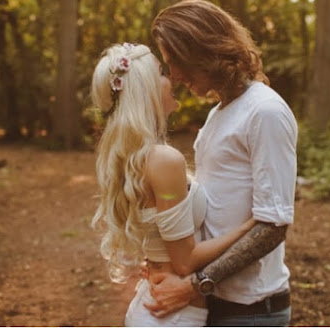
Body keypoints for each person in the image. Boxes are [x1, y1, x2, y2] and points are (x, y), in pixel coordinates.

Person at [147, 0, 298, 327]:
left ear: (206, 50)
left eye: (177, 61)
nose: (173, 74)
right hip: (215, 301)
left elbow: (273, 226)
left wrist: (194, 285)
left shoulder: (265, 112)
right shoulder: (218, 114)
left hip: (252, 310)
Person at [91, 42, 256, 327]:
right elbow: (185, 261)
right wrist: (249, 226)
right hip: (172, 318)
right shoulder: (164, 160)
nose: (173, 78)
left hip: (156, 307)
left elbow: (167, 240)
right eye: (162, 73)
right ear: (147, 89)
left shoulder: (137, 157)